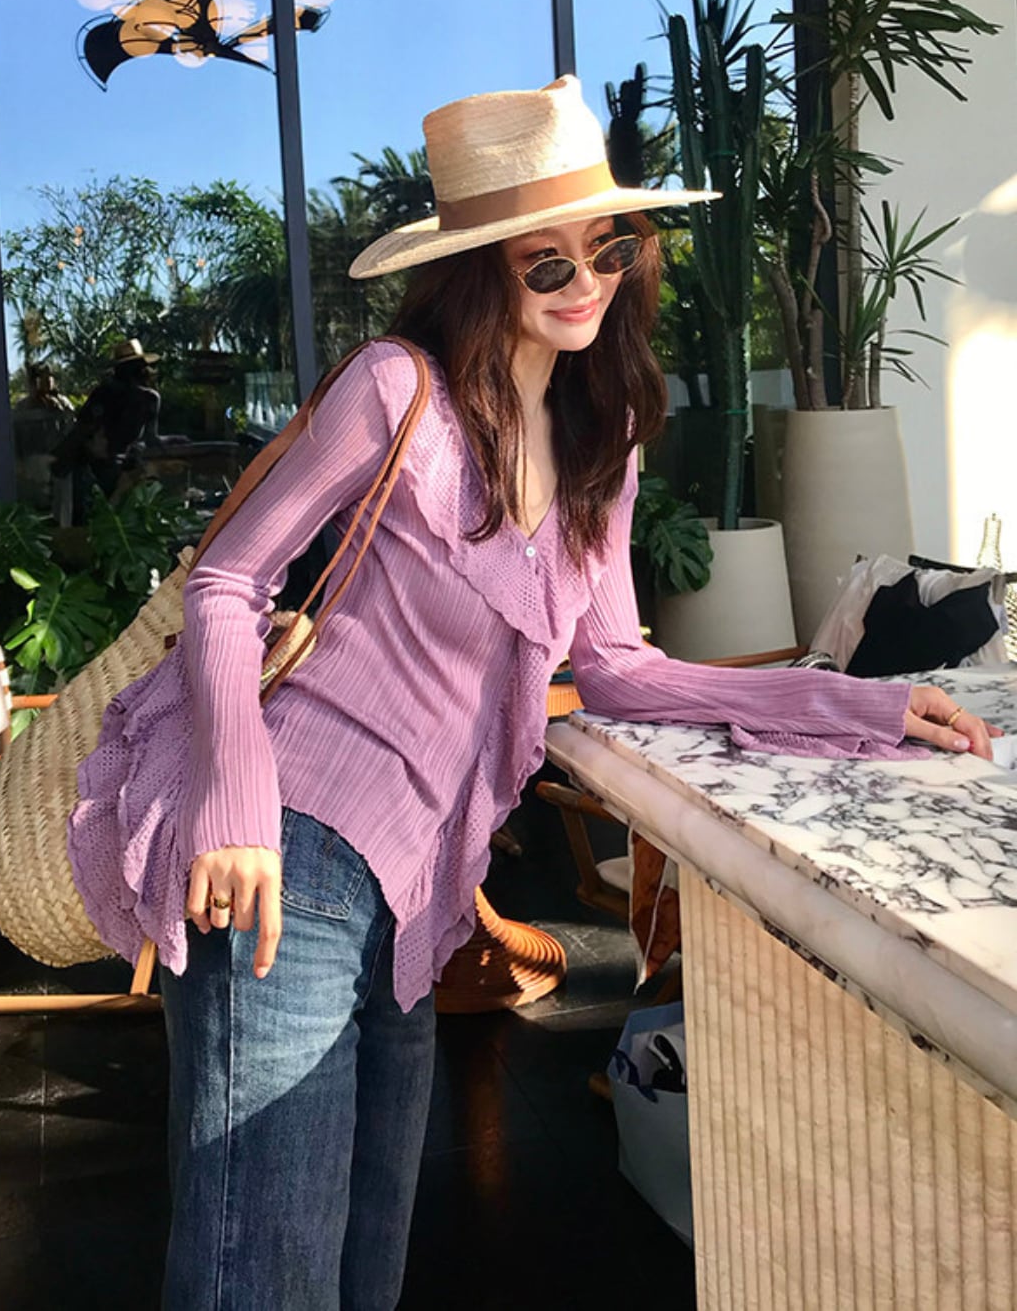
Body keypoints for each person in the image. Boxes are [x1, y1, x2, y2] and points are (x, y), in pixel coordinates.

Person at [68, 76, 997, 1310]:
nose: (586, 282)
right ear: (478, 269)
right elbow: (229, 582)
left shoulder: (600, 444)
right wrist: (235, 804)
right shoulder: (396, 390)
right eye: (545, 261)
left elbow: (618, 670)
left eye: (607, 248)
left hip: (418, 886)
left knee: (368, 1260)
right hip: (287, 849)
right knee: (264, 1271)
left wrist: (855, 703)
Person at [52, 337, 162, 521]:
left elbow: (82, 428)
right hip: (98, 467)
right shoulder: (112, 394)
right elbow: (84, 429)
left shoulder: (145, 398)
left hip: (119, 467)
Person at [11, 363, 74, 516]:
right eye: (40, 377)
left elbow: (72, 432)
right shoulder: (22, 408)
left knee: (61, 510)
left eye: (49, 376)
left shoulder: (63, 404)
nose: (47, 381)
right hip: (31, 468)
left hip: (59, 465)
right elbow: (14, 439)